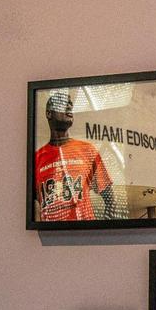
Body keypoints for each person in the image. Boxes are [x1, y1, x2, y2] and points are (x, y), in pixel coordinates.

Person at [34, 91, 117, 221]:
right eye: (62, 104)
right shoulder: (37, 158)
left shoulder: (87, 150)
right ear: (48, 113)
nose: (69, 107)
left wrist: (97, 234)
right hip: (52, 238)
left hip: (85, 237)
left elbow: (110, 201)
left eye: (70, 105)